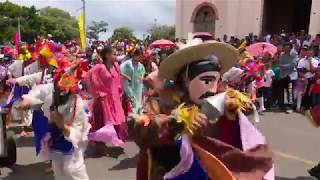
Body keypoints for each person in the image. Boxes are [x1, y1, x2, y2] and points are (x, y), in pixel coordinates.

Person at [133, 39, 274, 180]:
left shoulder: (221, 100)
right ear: (185, 79)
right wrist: (177, 123)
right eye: (206, 81)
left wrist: (232, 114)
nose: (212, 89)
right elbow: (141, 128)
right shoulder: (162, 101)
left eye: (216, 81)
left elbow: (238, 138)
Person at [83, 46, 127, 147]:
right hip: (103, 100)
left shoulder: (116, 66)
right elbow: (87, 78)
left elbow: (118, 80)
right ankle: (101, 146)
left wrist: (120, 91)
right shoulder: (99, 67)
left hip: (115, 99)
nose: (116, 56)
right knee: (102, 123)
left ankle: (116, 139)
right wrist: (96, 92)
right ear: (107, 55)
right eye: (114, 54)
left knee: (118, 121)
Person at [120, 48, 145, 113]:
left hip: (138, 91)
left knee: (138, 109)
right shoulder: (128, 65)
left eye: (141, 57)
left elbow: (141, 79)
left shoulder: (141, 66)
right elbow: (124, 80)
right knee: (129, 110)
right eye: (139, 56)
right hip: (128, 90)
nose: (140, 58)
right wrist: (129, 94)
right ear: (134, 55)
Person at [298, 45, 319, 110]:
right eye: (307, 52)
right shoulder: (301, 61)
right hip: (303, 79)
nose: (308, 53)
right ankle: (300, 107)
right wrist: (305, 75)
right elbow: (300, 71)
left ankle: (309, 108)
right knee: (302, 94)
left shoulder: (315, 61)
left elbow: (313, 71)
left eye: (310, 52)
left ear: (312, 53)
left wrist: (309, 62)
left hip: (311, 80)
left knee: (310, 94)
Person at [278, 42, 297, 112]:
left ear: (290, 48)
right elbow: (279, 64)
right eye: (285, 48)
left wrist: (283, 66)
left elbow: (292, 65)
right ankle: (283, 106)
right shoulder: (282, 55)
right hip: (282, 75)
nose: (286, 49)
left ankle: (290, 106)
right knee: (283, 92)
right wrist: (285, 66)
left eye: (288, 48)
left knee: (290, 91)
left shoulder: (294, 55)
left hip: (290, 76)